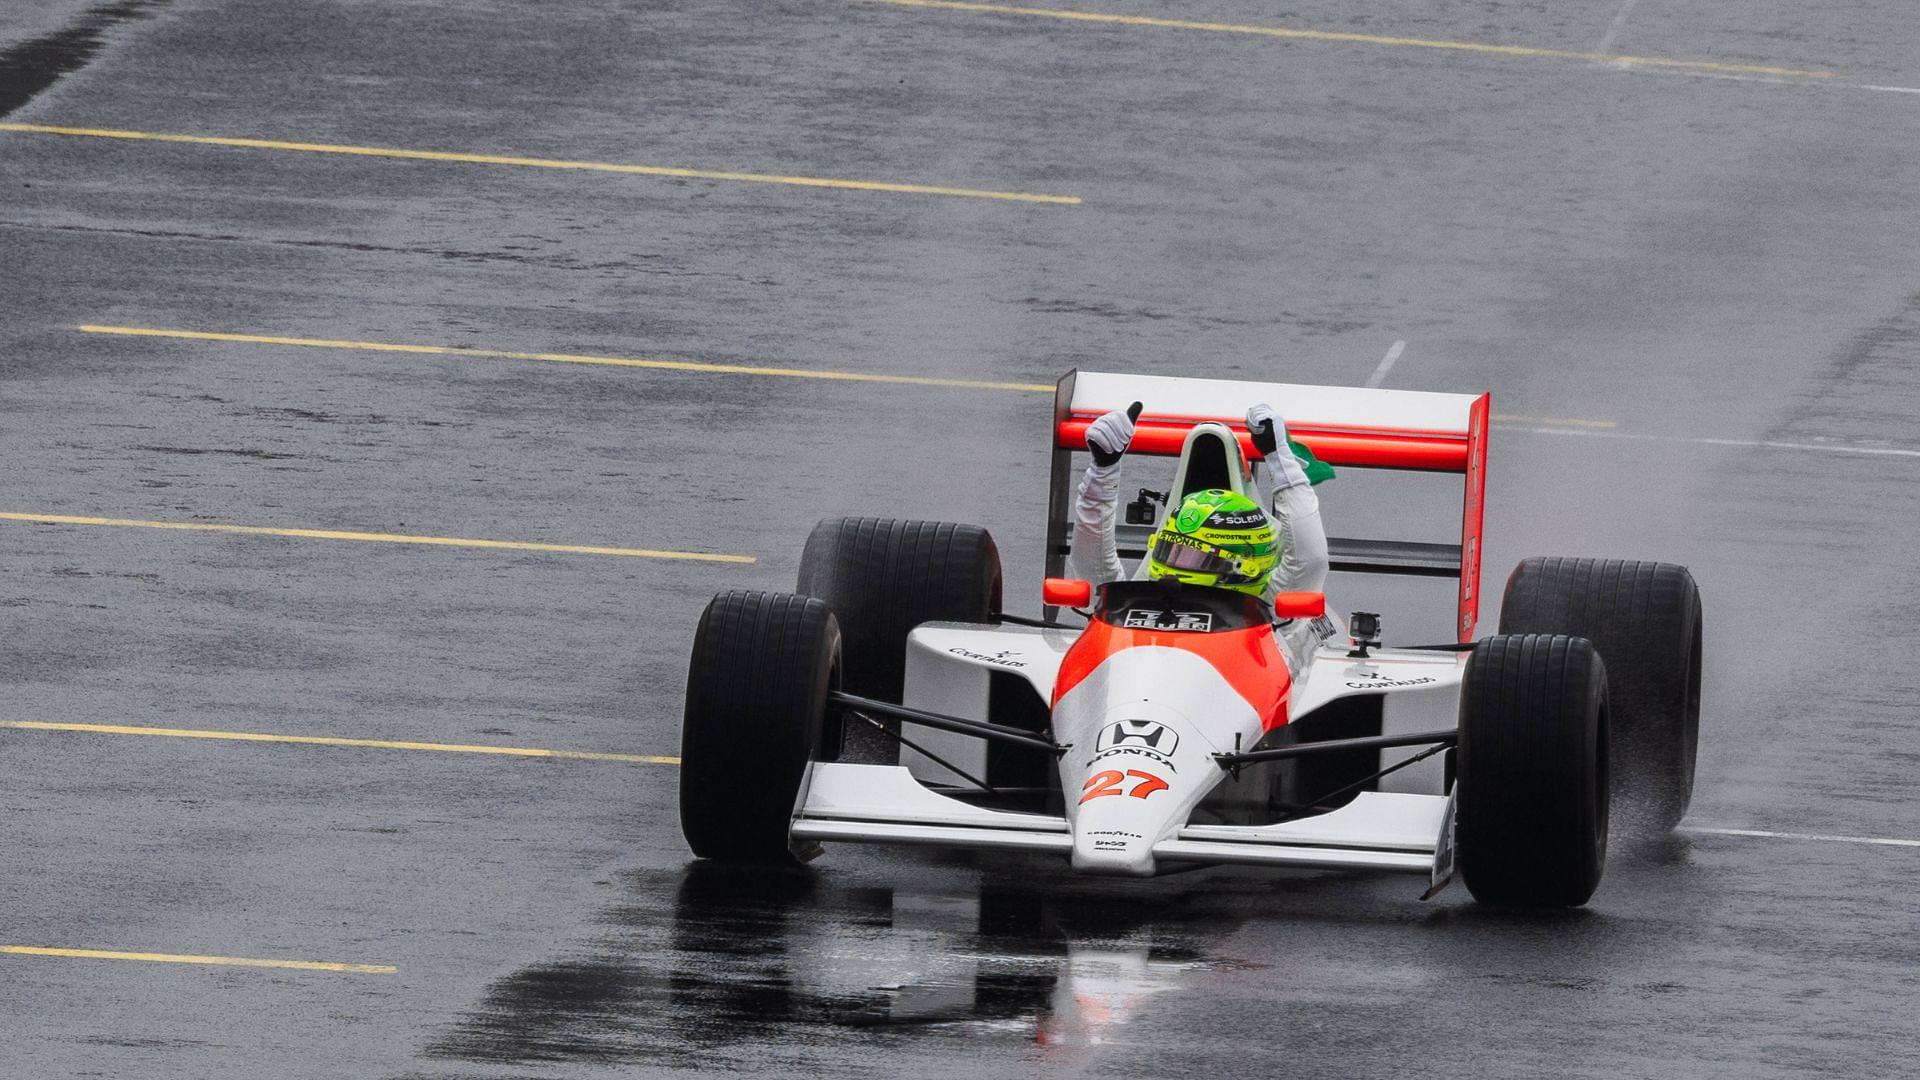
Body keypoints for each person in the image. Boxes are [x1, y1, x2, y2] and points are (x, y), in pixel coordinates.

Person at [1068, 403, 1331, 669]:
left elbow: (1311, 560)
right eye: (1172, 551)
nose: (1174, 569)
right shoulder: (1134, 603)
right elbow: (1094, 572)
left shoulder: (1276, 614)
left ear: (1247, 565)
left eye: (1198, 557)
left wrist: (1281, 459)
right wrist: (1103, 469)